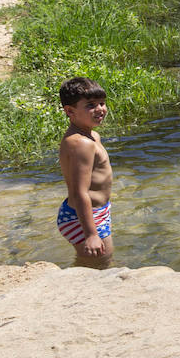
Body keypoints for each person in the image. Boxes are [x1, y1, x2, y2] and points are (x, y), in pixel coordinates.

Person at [56, 77, 114, 268]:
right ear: (70, 111)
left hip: (95, 211)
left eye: (102, 103)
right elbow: (80, 192)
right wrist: (91, 234)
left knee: (97, 262)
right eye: (90, 105)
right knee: (100, 263)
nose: (100, 109)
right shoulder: (81, 143)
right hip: (83, 217)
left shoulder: (92, 136)